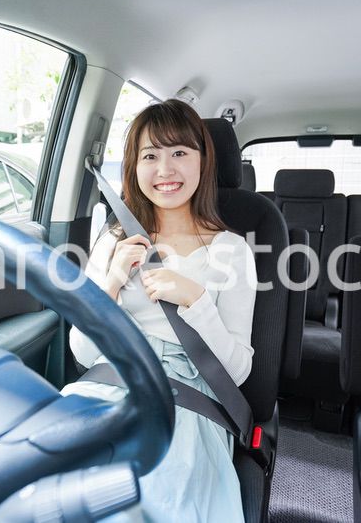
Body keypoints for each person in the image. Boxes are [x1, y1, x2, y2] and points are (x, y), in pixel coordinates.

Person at [62, 99, 257, 522]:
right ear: (133, 168)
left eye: (180, 153)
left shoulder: (232, 250)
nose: (165, 170)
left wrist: (196, 300)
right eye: (150, 156)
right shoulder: (113, 240)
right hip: (106, 385)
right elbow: (81, 353)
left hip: (186, 401)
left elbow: (239, 372)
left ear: (204, 163)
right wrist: (111, 281)